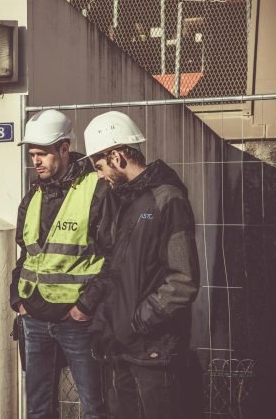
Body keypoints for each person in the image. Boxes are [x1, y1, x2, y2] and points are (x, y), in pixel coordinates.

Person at [83, 111, 200, 419]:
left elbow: (183, 280)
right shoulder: (122, 201)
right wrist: (107, 324)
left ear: (118, 156)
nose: (98, 175)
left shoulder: (167, 199)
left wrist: (139, 322)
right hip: (122, 346)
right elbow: (114, 268)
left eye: (100, 166)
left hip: (154, 350)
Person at [10, 109, 116, 419]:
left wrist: (85, 306)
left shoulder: (95, 190)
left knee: (95, 408)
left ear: (64, 149)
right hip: (34, 319)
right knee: (38, 409)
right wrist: (18, 300)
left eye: (42, 153)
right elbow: (26, 253)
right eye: (33, 154)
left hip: (77, 321)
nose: (36, 160)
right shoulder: (33, 195)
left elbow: (113, 257)